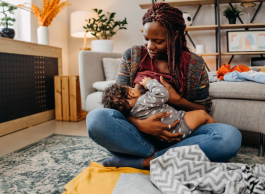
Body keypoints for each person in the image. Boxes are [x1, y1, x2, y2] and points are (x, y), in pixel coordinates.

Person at [86, 2, 242, 169]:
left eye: (158, 41)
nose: (150, 46)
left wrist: (178, 100)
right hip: (139, 134)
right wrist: (141, 125)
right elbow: (118, 104)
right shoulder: (133, 55)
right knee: (96, 119)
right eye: (146, 39)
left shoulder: (194, 64)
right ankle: (169, 157)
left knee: (229, 137)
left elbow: (203, 109)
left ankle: (149, 160)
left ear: (174, 36)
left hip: (181, 133)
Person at [101, 76, 216, 141]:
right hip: (179, 124)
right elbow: (162, 94)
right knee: (202, 115)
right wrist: (149, 82)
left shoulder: (134, 112)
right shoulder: (142, 101)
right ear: (132, 93)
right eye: (131, 88)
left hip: (165, 136)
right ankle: (215, 132)